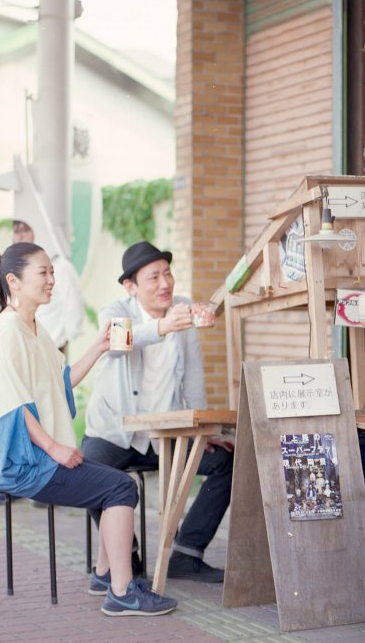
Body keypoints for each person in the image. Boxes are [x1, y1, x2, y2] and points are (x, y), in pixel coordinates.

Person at [0, 242, 176, 616]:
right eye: (44, 273)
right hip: (19, 461)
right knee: (119, 486)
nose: (53, 280)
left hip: (35, 455)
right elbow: (13, 407)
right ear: (14, 281)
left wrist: (99, 348)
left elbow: (61, 381)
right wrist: (54, 448)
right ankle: (121, 590)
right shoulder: (7, 332)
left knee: (111, 483)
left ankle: (105, 576)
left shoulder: (35, 328)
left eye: (52, 272)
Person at [82, 241, 234, 588]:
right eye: (154, 278)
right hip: (115, 433)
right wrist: (163, 328)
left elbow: (194, 377)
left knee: (227, 461)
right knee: (90, 472)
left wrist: (201, 429)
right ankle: (127, 559)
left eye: (168, 273)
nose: (165, 283)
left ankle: (186, 553)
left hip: (164, 435)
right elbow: (118, 345)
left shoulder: (182, 309)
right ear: (131, 286)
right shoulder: (114, 311)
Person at [12, 220, 85, 355]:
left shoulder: (60, 265)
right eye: (15, 231)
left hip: (54, 343)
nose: (19, 236)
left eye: (25, 230)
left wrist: (67, 337)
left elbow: (73, 301)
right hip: (27, 346)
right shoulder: (16, 269)